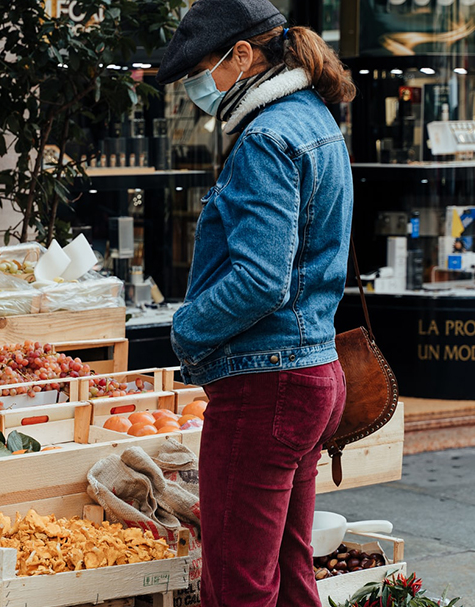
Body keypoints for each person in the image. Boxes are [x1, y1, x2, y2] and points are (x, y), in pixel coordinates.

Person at [156, 1, 356, 606]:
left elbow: (261, 279)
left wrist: (187, 329)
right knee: (291, 573)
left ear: (243, 56)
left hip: (265, 386)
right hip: (312, 372)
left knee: (237, 584)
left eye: (204, 69)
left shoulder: (265, 139)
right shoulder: (315, 120)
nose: (200, 86)